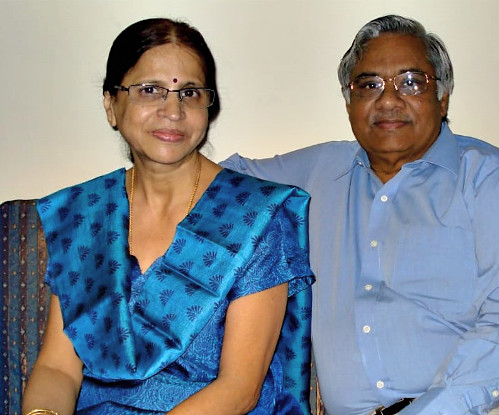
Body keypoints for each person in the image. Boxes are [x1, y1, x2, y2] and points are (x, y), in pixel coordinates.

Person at [221, 14, 499, 415]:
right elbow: (201, 182)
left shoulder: (490, 177)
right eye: (369, 84)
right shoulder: (318, 172)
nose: (389, 99)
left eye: (411, 82)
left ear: (443, 96)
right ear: (348, 101)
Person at [21, 18, 314, 415]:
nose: (172, 110)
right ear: (111, 104)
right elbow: (58, 368)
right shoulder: (86, 216)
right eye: (150, 90)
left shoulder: (253, 217)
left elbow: (240, 388)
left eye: (189, 93)